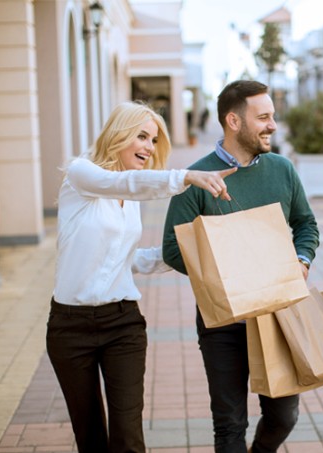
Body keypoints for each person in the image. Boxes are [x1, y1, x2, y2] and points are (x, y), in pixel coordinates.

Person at [46, 101, 236, 453]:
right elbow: (124, 184)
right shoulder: (81, 174)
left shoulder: (128, 198)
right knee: (90, 437)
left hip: (122, 324)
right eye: (142, 136)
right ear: (118, 134)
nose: (149, 147)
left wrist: (188, 251)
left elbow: (125, 258)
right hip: (69, 327)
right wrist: (187, 176)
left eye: (154, 140)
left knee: (129, 436)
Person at [162, 80, 320, 453]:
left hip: (276, 315)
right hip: (223, 322)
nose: (273, 125)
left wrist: (302, 260)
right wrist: (228, 274)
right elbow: (172, 248)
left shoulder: (281, 169)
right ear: (233, 120)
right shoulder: (197, 178)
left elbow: (306, 224)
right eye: (263, 117)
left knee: (285, 416)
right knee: (229, 424)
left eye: (273, 117)